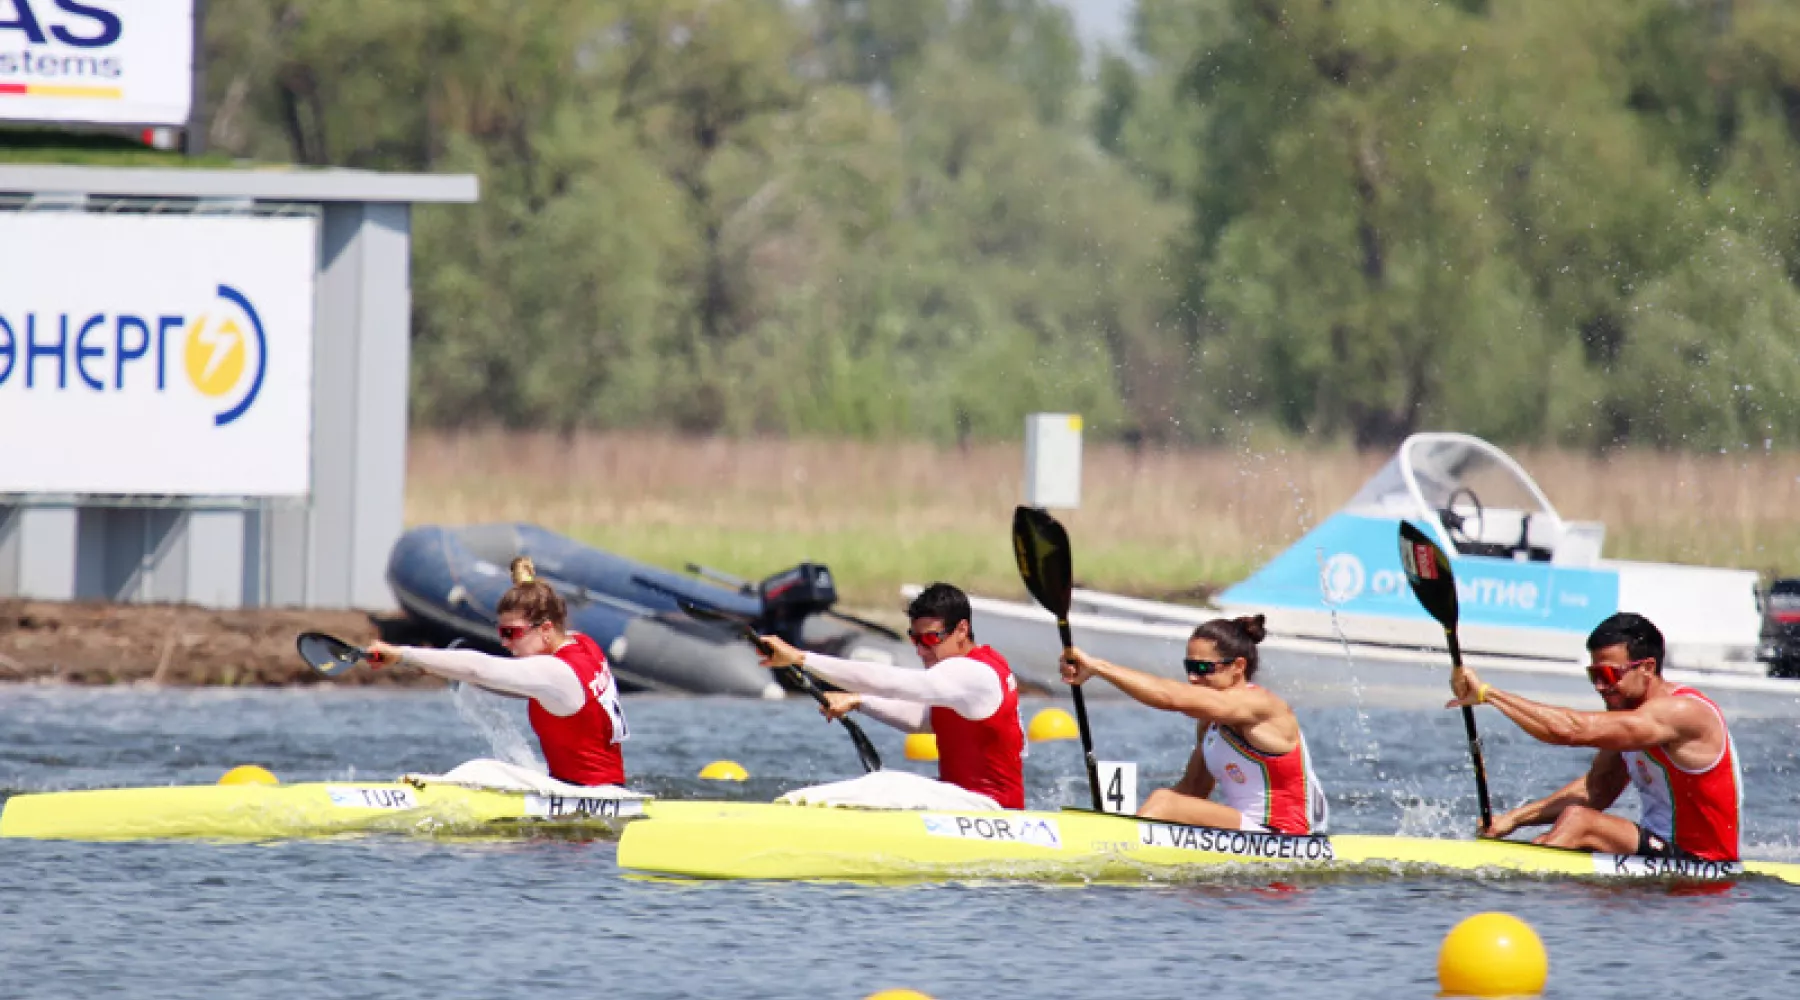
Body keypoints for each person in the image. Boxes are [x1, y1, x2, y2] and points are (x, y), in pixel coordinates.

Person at [1448, 612, 1740, 861]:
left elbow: (1571, 731)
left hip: (1703, 862)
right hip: (1660, 850)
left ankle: (1510, 886)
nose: (1600, 687)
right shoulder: (1631, 715)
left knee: (1578, 822)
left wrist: (1488, 694)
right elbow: (1597, 790)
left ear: (1647, 668)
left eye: (1609, 675)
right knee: (1557, 836)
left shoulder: (1680, 712)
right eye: (1594, 676)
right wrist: (1513, 820)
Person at [756, 582, 1026, 809]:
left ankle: (784, 812)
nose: (921, 650)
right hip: (966, 804)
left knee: (886, 784)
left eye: (931, 639)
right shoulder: (970, 672)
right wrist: (860, 701)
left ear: (962, 630)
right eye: (915, 639)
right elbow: (924, 721)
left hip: (991, 810)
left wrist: (800, 658)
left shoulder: (973, 672)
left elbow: (890, 682)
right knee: (890, 786)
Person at [365, 556, 629, 787]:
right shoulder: (583, 644)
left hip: (585, 797)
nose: (504, 642)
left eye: (511, 633)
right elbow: (510, 682)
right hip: (600, 791)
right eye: (501, 632)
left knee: (483, 771)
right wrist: (435, 665)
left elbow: (479, 668)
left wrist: (402, 654)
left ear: (546, 629)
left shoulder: (556, 671)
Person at [1061, 615, 1328, 835]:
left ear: (1238, 666)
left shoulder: (1260, 705)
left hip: (1286, 837)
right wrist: (1119, 822)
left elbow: (1170, 697)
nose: (1192, 677)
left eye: (1202, 667)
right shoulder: (1210, 722)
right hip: (1249, 835)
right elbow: (1193, 791)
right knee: (1167, 807)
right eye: (1188, 666)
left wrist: (1099, 668)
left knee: (1164, 801)